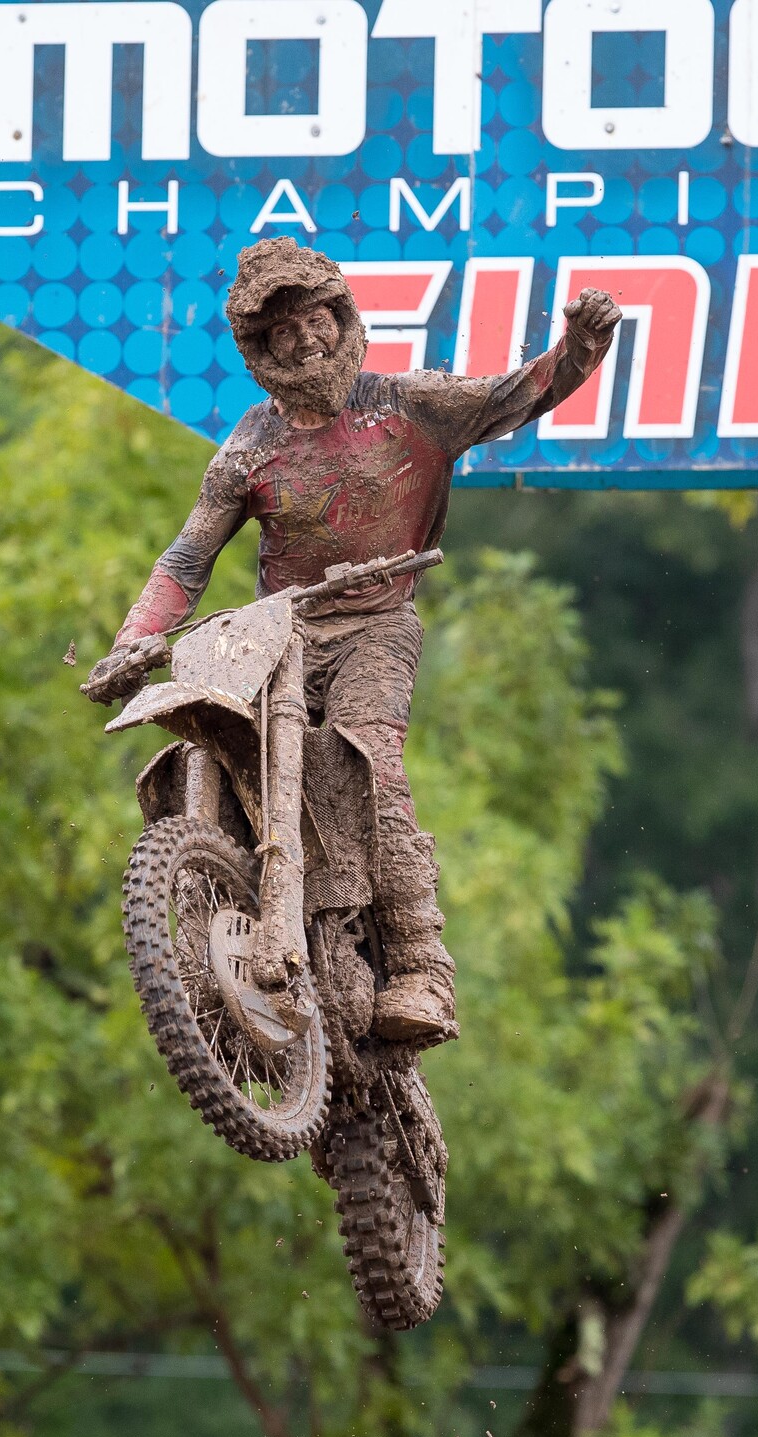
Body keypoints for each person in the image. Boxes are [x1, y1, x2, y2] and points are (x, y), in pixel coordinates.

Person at [84, 238, 622, 1046]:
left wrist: (581, 345)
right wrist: (135, 640)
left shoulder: (413, 405)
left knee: (371, 754)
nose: (302, 343)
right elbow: (189, 556)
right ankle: (207, 932)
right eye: (280, 334)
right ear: (257, 351)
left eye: (312, 322)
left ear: (341, 318)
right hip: (279, 630)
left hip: (376, 622)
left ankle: (420, 966)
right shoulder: (247, 449)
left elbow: (518, 393)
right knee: (209, 741)